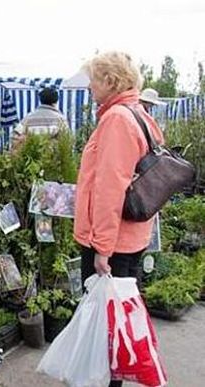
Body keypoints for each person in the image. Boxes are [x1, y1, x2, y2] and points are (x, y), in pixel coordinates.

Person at [74, 51, 164, 387]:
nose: (90, 87)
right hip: (130, 238)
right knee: (115, 320)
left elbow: (111, 188)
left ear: (110, 81)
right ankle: (107, 380)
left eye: (94, 80)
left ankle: (103, 382)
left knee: (105, 326)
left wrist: (102, 248)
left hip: (113, 243)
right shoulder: (138, 114)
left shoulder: (117, 119)